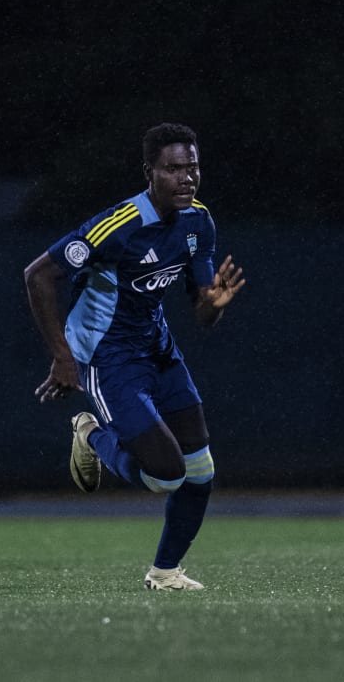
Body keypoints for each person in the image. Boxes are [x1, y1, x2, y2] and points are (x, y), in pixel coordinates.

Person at [23, 123, 245, 590]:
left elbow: (201, 311)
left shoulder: (197, 221)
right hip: (108, 358)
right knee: (166, 475)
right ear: (150, 173)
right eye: (173, 169)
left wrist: (213, 305)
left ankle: (164, 573)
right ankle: (91, 436)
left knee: (201, 470)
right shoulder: (118, 227)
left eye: (193, 167)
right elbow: (38, 275)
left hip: (158, 348)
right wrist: (63, 358)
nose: (187, 178)